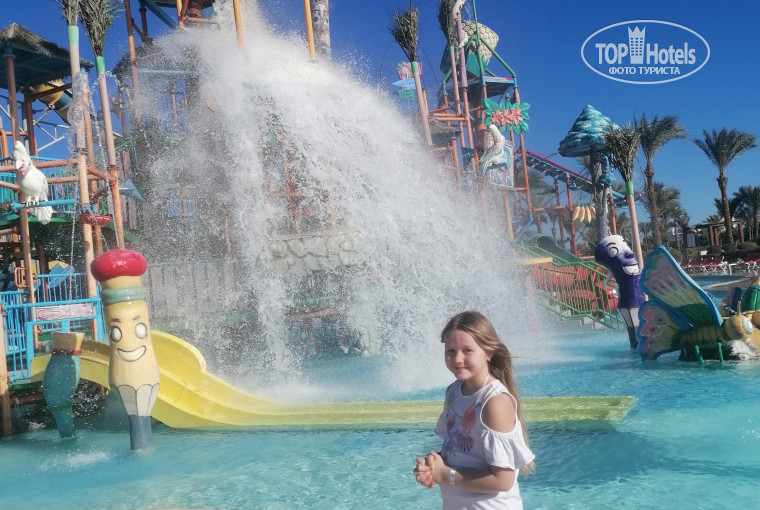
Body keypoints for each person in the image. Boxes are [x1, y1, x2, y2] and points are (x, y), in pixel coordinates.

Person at [414, 311, 535, 510]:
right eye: (450, 351)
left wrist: (446, 475)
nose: (457, 359)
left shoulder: (494, 402)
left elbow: (502, 480)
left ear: (488, 353)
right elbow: (460, 450)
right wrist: (434, 466)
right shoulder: (453, 392)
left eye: (467, 350)